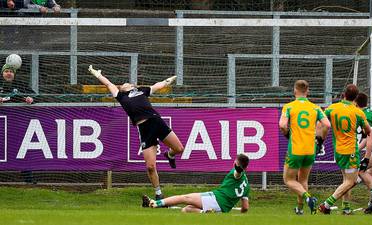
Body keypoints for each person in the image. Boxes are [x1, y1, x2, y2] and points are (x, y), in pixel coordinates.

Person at [88, 65, 184, 200]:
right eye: (122, 84)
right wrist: (96, 74)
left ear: (132, 86)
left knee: (179, 148)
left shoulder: (141, 90)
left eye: (126, 83)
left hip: (156, 122)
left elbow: (158, 85)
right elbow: (108, 83)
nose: (124, 84)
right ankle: (158, 194)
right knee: (150, 166)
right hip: (144, 129)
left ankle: (169, 154)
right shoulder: (121, 96)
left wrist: (170, 80)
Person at [318, 84, 372, 215]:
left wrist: (319, 139)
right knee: (351, 181)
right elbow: (368, 130)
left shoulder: (332, 108)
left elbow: (322, 122)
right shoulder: (358, 112)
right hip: (350, 151)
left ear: (344, 95)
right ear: (355, 98)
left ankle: (346, 208)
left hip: (338, 150)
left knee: (346, 180)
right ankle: (326, 205)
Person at [279, 80, 331, 215]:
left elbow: (282, 125)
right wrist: (320, 140)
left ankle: (308, 198)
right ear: (307, 91)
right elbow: (327, 124)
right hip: (310, 149)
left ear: (294, 90)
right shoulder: (315, 108)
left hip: (296, 148)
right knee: (303, 180)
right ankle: (300, 209)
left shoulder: (289, 107)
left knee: (289, 180)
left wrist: (287, 134)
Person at [142, 154, 250, 213]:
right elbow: (245, 208)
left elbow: (237, 174)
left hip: (215, 199)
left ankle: (155, 203)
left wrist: (237, 169)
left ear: (236, 163)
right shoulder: (247, 186)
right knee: (186, 210)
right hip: (222, 209)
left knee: (184, 198)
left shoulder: (236, 173)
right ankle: (206, 214)